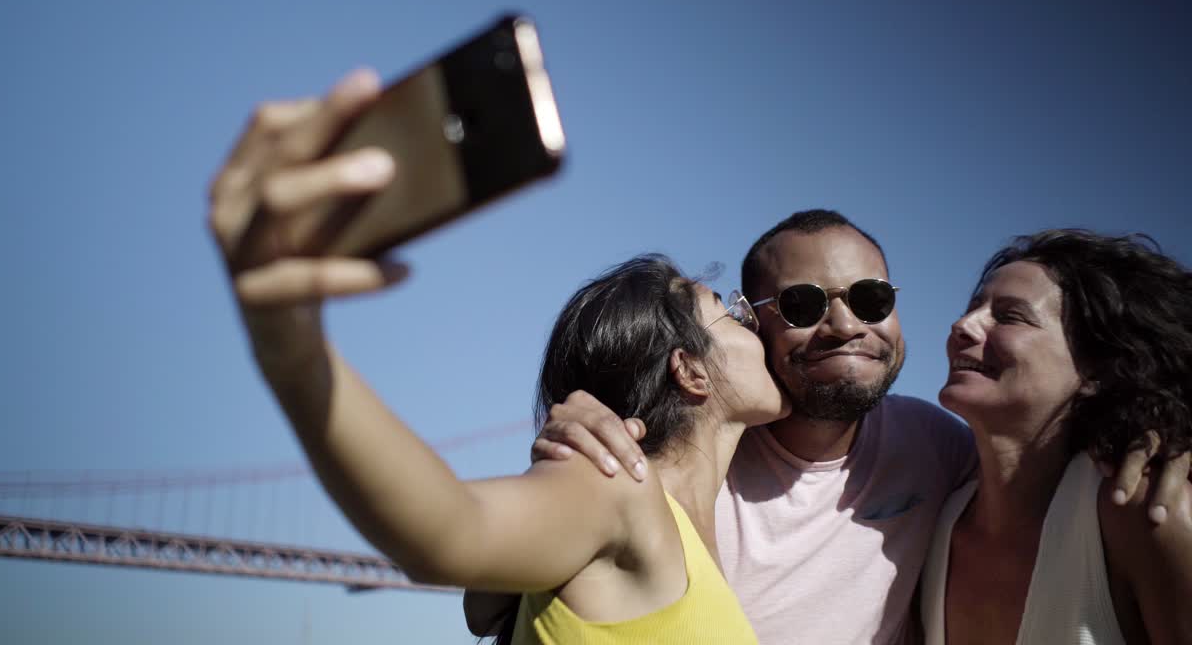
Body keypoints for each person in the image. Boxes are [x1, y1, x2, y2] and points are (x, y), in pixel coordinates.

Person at [207, 70, 786, 644]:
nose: (754, 322)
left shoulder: (687, 538)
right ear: (688, 371)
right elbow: (451, 531)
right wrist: (292, 349)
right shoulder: (616, 485)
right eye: (727, 309)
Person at [500, 210, 1190, 645]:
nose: (844, 323)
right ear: (751, 324)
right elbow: (490, 599)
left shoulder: (945, 454)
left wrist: (1163, 433)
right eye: (801, 304)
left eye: (871, 298)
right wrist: (575, 439)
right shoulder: (685, 462)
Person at [920, 230, 1192, 644]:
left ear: (1097, 370)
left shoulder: (1145, 513)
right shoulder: (933, 518)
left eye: (1010, 316)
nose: (963, 325)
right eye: (973, 308)